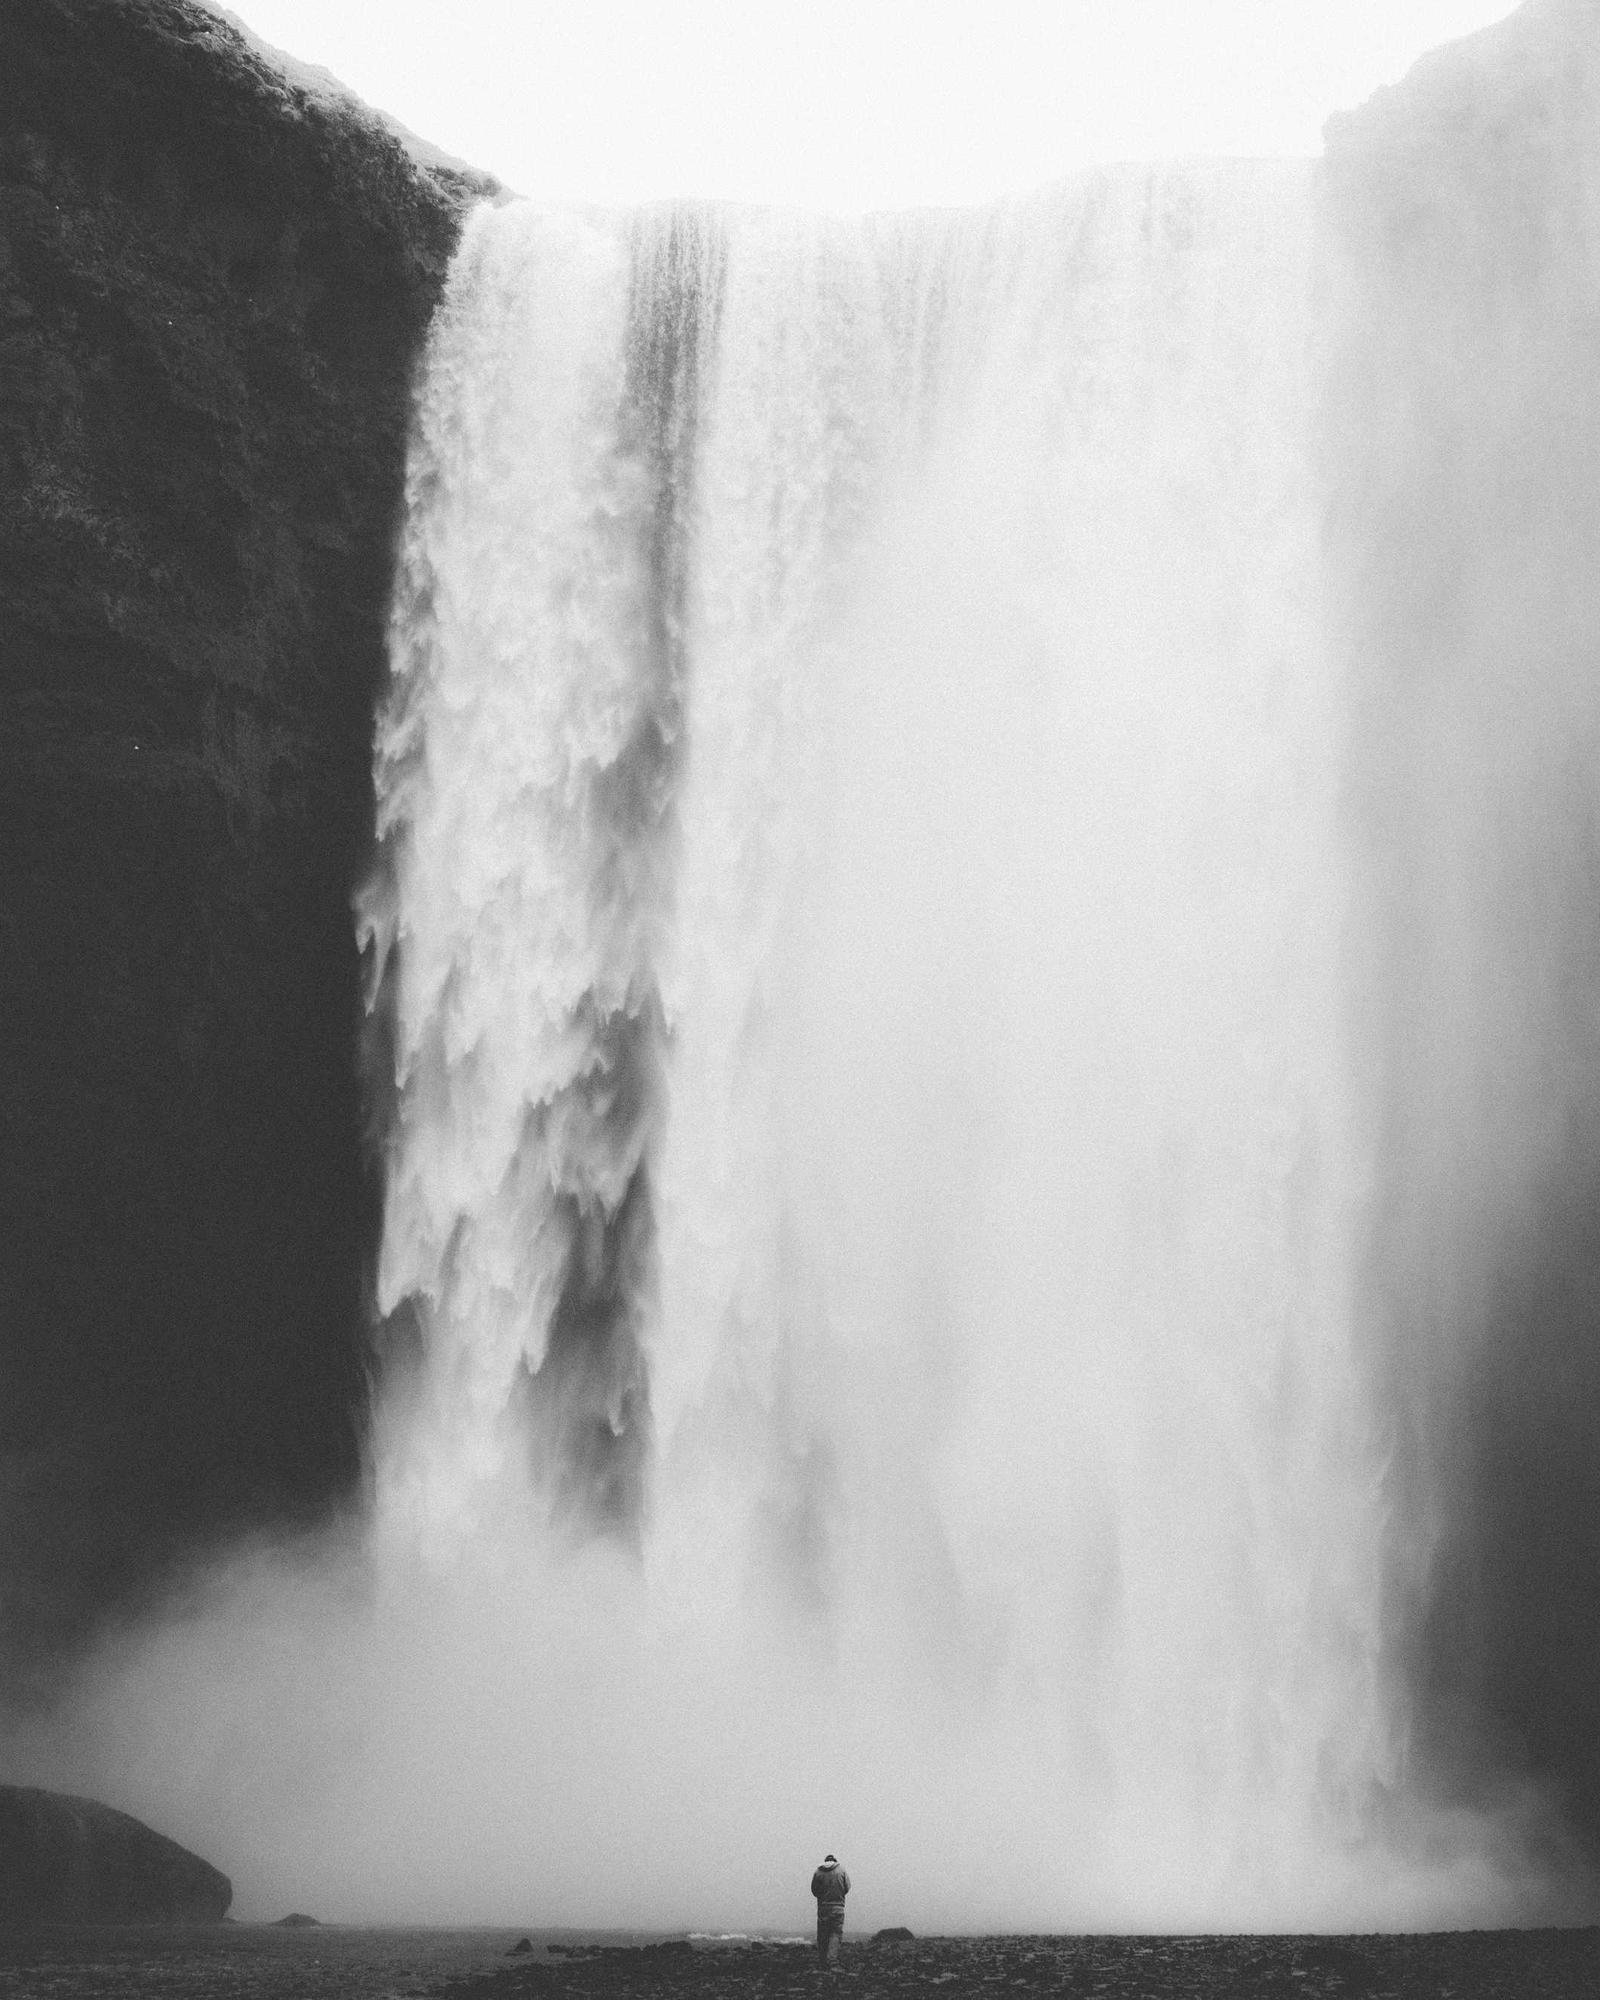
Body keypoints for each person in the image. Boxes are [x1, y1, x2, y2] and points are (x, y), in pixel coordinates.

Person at [810, 1851, 850, 1968]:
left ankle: (822, 1960)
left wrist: (822, 1896)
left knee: (823, 1934)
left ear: (825, 1861)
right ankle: (832, 1959)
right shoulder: (841, 1870)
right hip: (838, 1907)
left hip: (823, 1907)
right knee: (835, 1933)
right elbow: (847, 1887)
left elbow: (814, 1890)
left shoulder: (818, 1872)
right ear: (835, 1861)